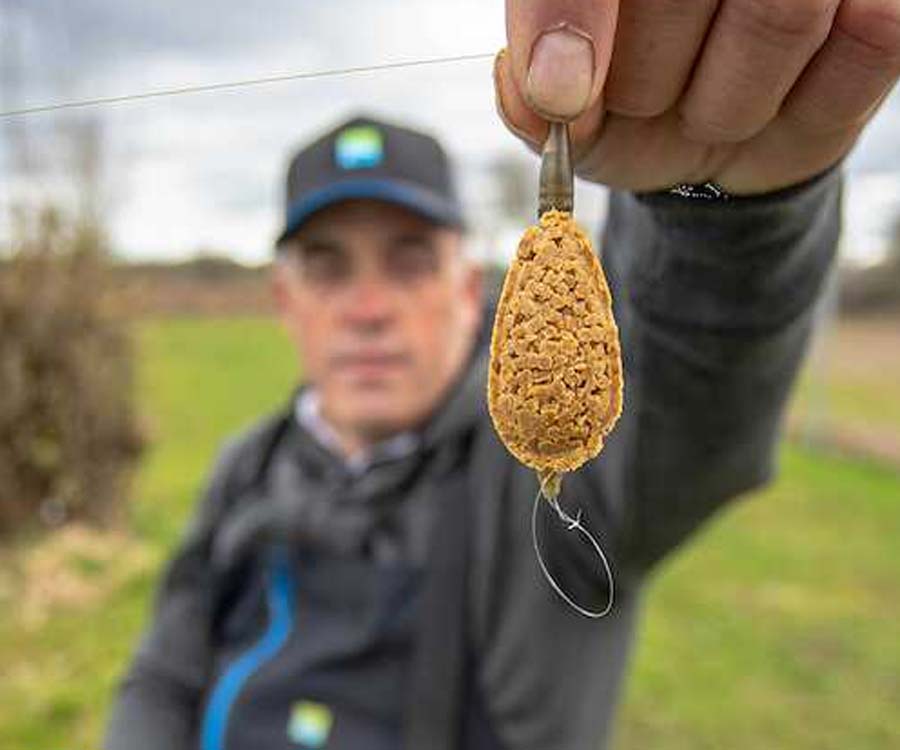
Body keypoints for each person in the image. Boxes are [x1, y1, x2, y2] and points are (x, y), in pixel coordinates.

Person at [105, 2, 900, 749]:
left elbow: (700, 390)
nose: (368, 309)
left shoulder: (560, 487)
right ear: (286, 301)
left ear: (467, 291)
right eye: (328, 267)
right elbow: (162, 676)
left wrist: (720, 199)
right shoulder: (245, 466)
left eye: (409, 262)